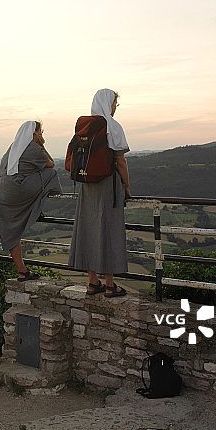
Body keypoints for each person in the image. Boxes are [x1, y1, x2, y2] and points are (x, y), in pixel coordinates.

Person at [68, 89, 131, 297]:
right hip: (107, 184)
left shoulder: (84, 126)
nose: (115, 107)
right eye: (115, 103)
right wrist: (126, 186)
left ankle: (93, 282)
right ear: (108, 103)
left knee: (88, 228)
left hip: (87, 185)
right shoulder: (112, 126)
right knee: (109, 229)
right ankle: (111, 284)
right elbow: (120, 160)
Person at [0, 121, 62, 281]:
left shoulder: (13, 147)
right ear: (34, 134)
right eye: (41, 132)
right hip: (16, 190)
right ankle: (36, 208)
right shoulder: (34, 148)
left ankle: (22, 270)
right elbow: (51, 164)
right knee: (51, 174)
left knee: (11, 230)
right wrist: (42, 145)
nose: (42, 135)